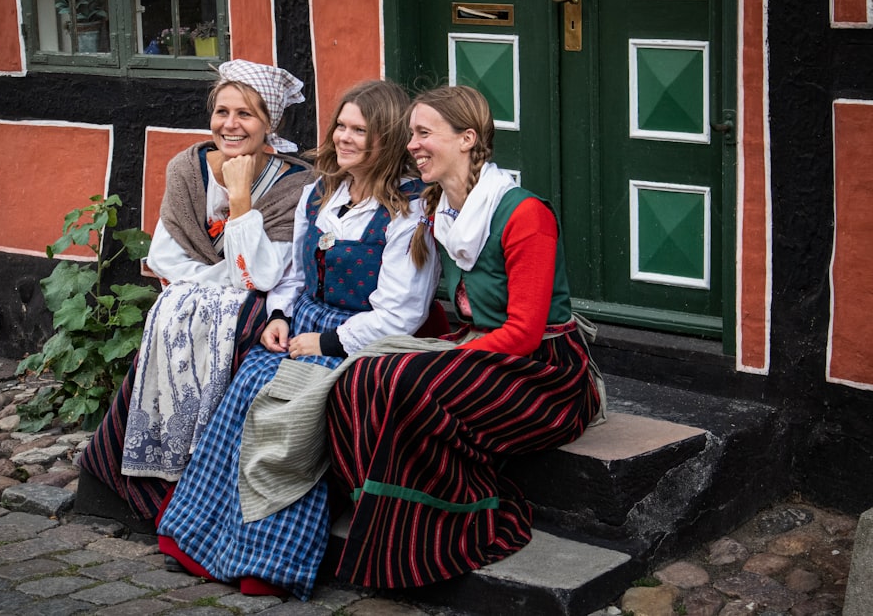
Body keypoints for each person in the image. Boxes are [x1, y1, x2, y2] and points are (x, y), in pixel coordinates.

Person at [155, 79, 441, 599]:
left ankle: (269, 560)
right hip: (305, 323)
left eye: (362, 130)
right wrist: (280, 315)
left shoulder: (409, 209)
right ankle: (198, 540)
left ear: (391, 137)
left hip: (363, 339)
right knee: (246, 386)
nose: (346, 138)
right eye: (342, 126)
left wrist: (326, 343)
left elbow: (402, 313)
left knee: (290, 411)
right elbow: (291, 274)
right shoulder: (323, 191)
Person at [324, 85, 604, 589]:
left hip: (545, 373)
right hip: (481, 354)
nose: (411, 144)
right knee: (357, 378)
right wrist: (405, 351)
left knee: (410, 385)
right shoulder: (441, 213)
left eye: (424, 133)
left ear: (468, 139)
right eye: (411, 134)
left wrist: (432, 359)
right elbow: (428, 306)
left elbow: (521, 335)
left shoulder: (524, 215)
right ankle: (390, 523)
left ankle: (458, 522)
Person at [76, 59, 313, 521]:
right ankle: (137, 484)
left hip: (267, 306)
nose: (230, 124)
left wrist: (241, 199)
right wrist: (218, 284)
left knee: (239, 323)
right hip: (198, 295)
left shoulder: (294, 184)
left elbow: (262, 278)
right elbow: (166, 258)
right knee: (174, 314)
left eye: (246, 114)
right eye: (222, 111)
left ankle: (209, 489)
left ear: (270, 122)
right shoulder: (188, 168)